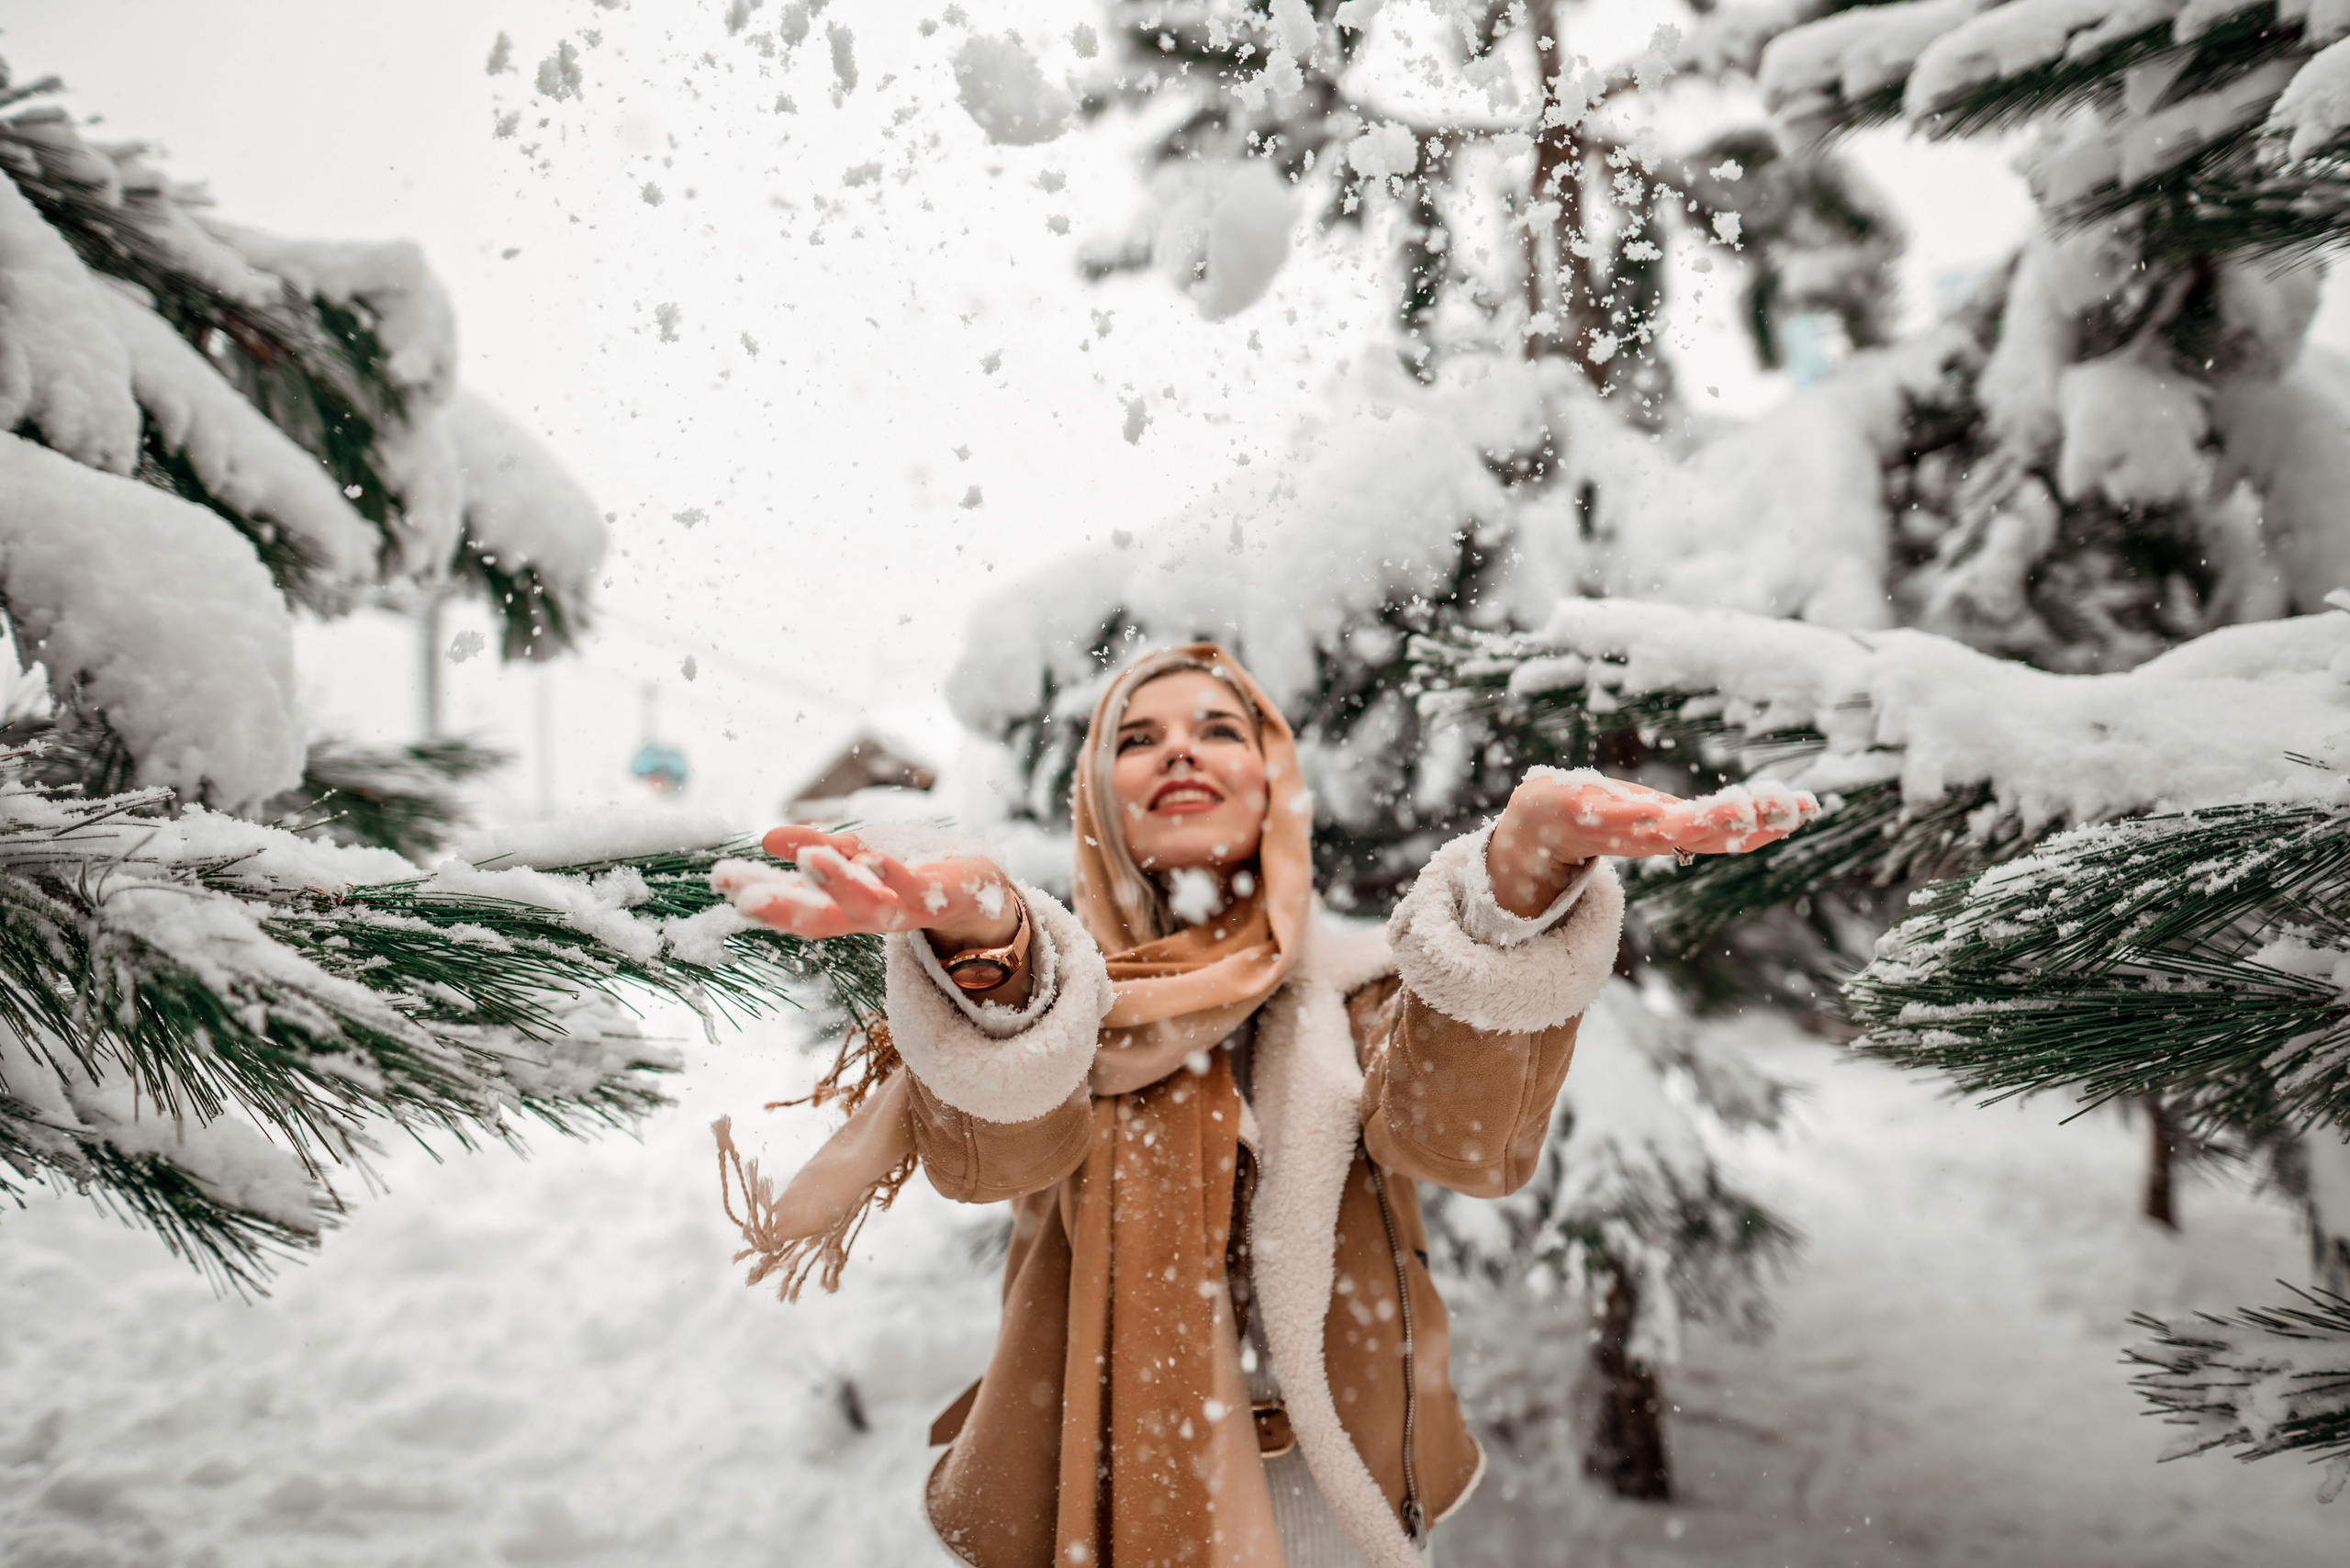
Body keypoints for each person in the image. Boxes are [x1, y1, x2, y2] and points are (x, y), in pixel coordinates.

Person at [711, 644, 1810, 1568]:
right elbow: (993, 1157)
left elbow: (1463, 1144)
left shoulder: (1370, 984)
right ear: (1099, 801)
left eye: (1217, 729)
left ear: (1273, 782)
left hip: (1333, 1500)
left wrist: (1517, 887)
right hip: (1101, 1475)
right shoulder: (1055, 1003)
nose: (1178, 750)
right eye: (1136, 737)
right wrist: (990, 949)